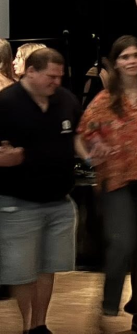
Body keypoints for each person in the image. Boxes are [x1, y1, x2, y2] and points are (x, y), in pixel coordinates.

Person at [77, 37, 137, 334]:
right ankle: (109, 304)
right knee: (121, 243)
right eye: (125, 57)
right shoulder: (105, 99)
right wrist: (91, 155)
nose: (131, 61)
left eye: (136, 55)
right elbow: (81, 135)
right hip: (116, 178)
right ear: (116, 63)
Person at [0, 48, 86, 334]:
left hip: (59, 201)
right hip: (18, 203)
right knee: (22, 271)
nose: (56, 82)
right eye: (51, 76)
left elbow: (77, 136)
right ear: (31, 72)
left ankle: (39, 325)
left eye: (59, 77)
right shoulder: (6, 103)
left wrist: (90, 153)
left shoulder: (66, 100)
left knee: (47, 267)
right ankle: (26, 325)